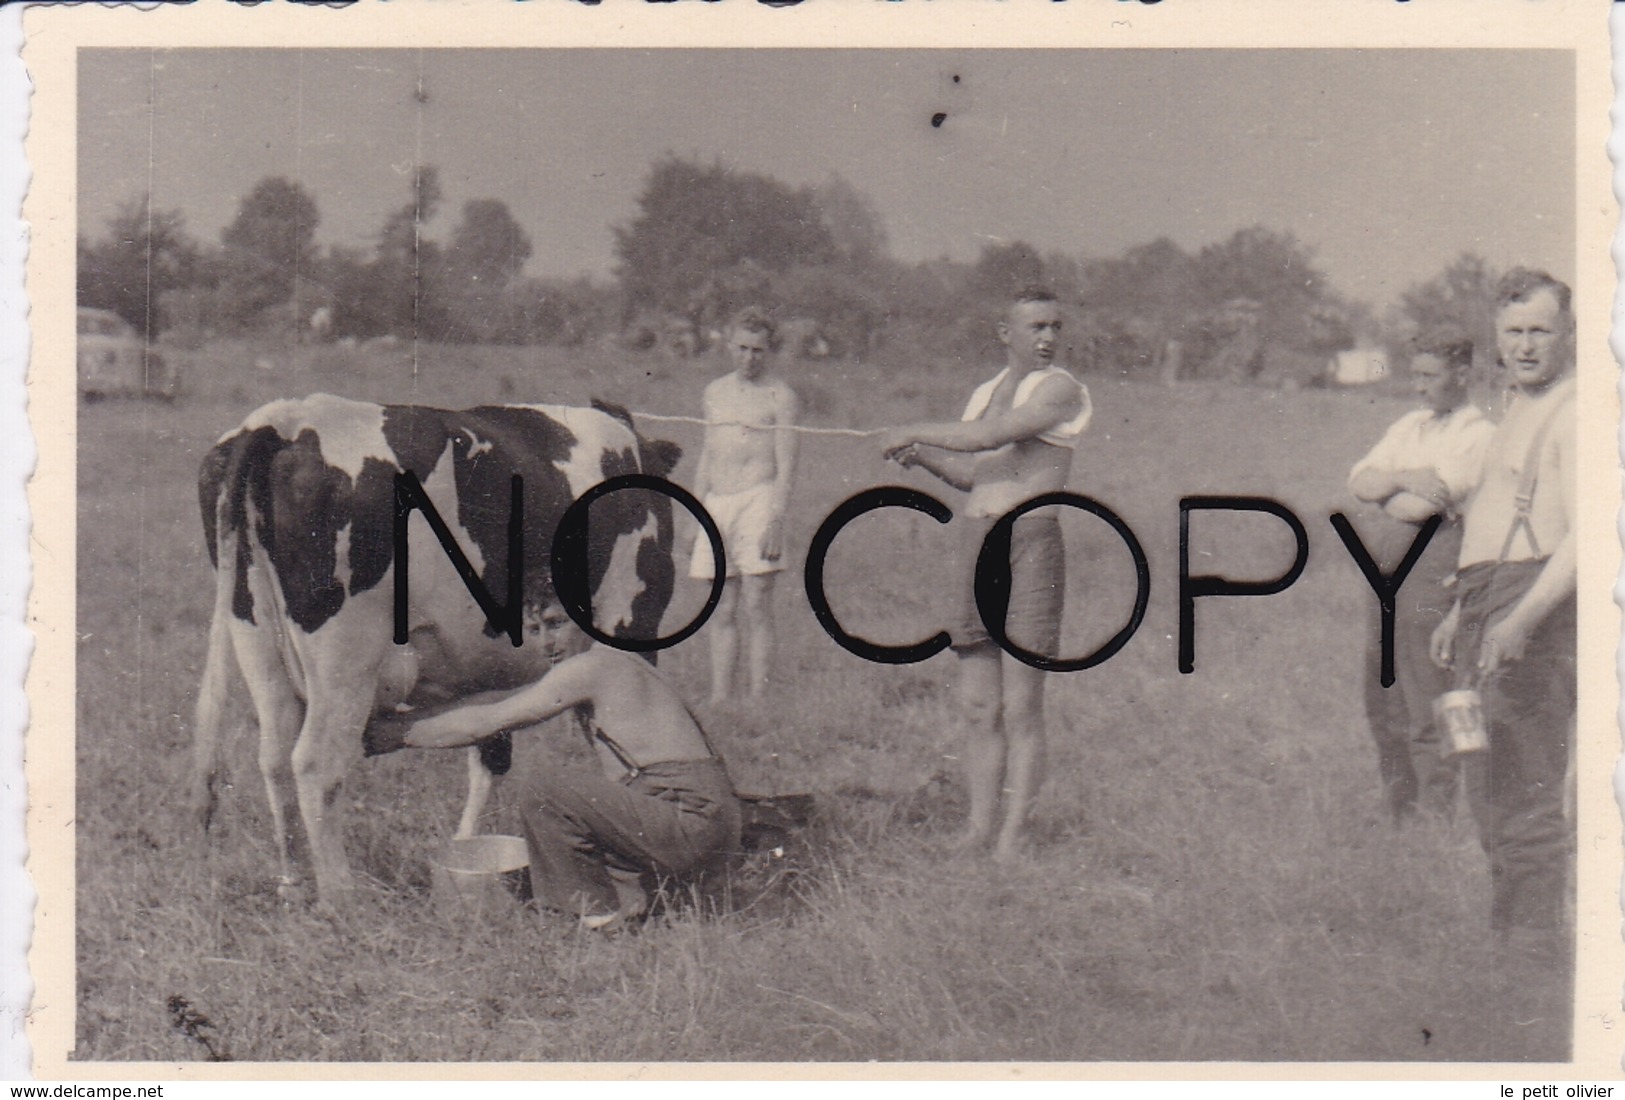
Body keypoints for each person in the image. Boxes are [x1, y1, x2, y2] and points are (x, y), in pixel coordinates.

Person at [368, 604, 743, 930]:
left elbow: (489, 721)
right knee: (580, 820)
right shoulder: (613, 659)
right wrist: (392, 721)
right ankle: (638, 899)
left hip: (691, 820)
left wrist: (393, 737)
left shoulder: (592, 667)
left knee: (545, 787)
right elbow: (497, 699)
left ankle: (599, 921)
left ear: (588, 618)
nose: (546, 642)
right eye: (534, 630)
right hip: (703, 822)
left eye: (557, 623)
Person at [879, 287, 1091, 859]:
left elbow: (992, 436)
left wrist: (913, 427)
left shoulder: (1061, 389)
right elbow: (976, 472)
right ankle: (977, 829)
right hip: (977, 542)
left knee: (1022, 706)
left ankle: (1011, 840)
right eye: (1035, 327)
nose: (1047, 338)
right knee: (977, 706)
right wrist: (920, 456)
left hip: (1031, 544)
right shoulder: (984, 392)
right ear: (1006, 333)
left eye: (1055, 326)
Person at [1430, 268, 1577, 1043]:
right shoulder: (1512, 409)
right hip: (1488, 596)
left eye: (1540, 331)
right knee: (1482, 776)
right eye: (1513, 332)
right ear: (1495, 339)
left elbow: (1590, 537)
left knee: (1523, 781)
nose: (1525, 346)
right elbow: (1490, 515)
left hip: (1533, 603)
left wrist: (1520, 620)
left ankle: (1530, 958)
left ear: (1568, 335)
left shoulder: (1578, 410)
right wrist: (1461, 606)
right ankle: (1506, 936)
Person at [1346, 331, 1494, 821]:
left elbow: (1415, 506)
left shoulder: (1478, 434)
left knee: (1427, 694)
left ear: (1462, 376)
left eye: (1430, 376)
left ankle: (1438, 814)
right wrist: (1405, 478)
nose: (1419, 386)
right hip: (1385, 572)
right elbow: (1360, 480)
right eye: (1417, 374)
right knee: (1382, 692)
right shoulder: (1411, 425)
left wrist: (1391, 487)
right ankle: (1399, 808)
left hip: (1432, 572)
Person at [689, 308, 800, 703]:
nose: (749, 357)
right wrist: (696, 510)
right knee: (720, 606)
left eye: (758, 350)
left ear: (769, 351)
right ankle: (721, 697)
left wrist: (776, 520)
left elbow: (787, 464)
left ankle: (758, 700)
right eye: (742, 348)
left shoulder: (781, 397)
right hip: (717, 502)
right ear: (729, 345)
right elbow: (708, 452)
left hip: (759, 499)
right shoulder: (715, 392)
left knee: (756, 605)